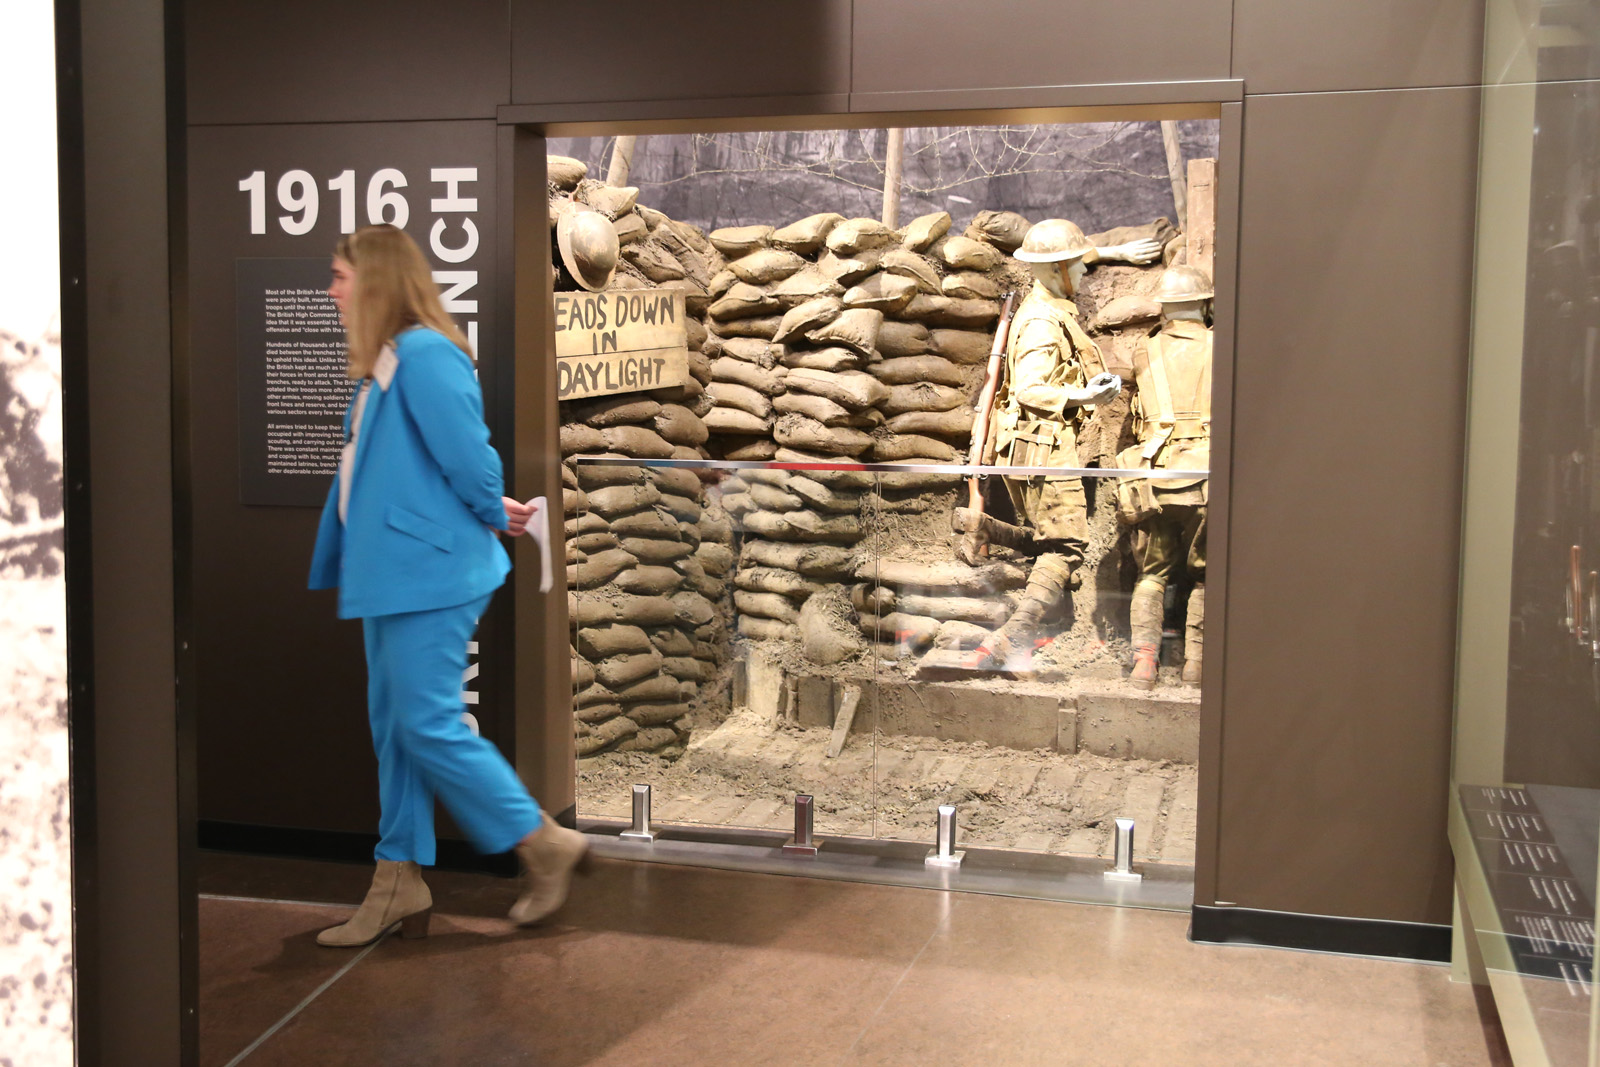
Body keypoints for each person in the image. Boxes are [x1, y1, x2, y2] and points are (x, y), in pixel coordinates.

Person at [307, 223, 588, 946]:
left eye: (341, 275)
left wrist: (490, 503)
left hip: (430, 572)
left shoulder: (428, 355)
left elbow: (471, 454)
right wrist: (491, 508)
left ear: (375, 281)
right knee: (397, 727)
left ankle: (541, 841)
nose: (332, 289)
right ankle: (397, 878)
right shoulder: (389, 361)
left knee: (425, 722)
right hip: (393, 573)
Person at [959, 218, 1153, 667]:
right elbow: (1030, 389)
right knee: (1066, 547)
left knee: (1052, 540)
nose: (1085, 273)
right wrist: (1084, 394)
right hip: (1044, 447)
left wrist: (1115, 253)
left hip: (1038, 446)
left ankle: (987, 529)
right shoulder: (1044, 322)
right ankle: (1011, 637)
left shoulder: (1048, 304)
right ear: (1056, 270)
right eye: (1078, 266)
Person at [1119, 264, 1213, 689]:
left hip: (1156, 478)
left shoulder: (1144, 350)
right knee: (1207, 574)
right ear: (1205, 303)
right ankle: (1196, 665)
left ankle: (1144, 664)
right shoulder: (1223, 345)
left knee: (1153, 574)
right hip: (1209, 479)